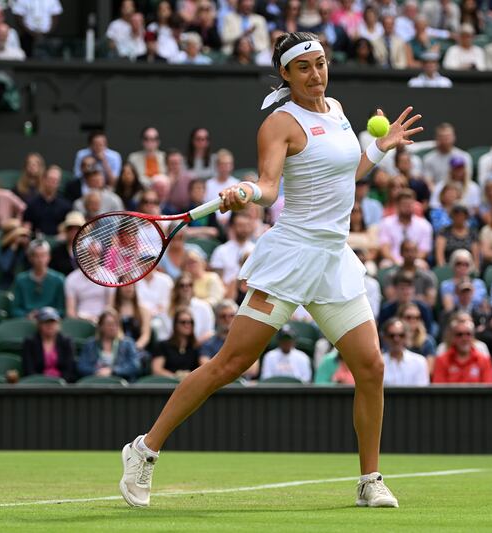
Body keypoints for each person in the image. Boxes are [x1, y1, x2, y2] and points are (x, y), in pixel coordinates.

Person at [119, 32, 423, 508]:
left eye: (320, 63)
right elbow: (268, 185)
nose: (316, 74)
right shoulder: (279, 123)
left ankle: (370, 480)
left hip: (333, 260)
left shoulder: (338, 110)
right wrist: (245, 190)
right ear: (285, 73)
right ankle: (143, 449)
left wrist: (383, 149)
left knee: (371, 367)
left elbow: (347, 174)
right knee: (230, 364)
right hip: (291, 256)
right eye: (304, 67)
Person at [77, 309, 141, 383]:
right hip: (96, 383)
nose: (113, 327)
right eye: (109, 324)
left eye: (116, 324)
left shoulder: (128, 344)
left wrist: (113, 371)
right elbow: (82, 366)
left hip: (122, 385)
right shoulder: (90, 344)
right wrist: (98, 372)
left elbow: (134, 366)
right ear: (101, 326)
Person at [12, 239, 65, 319]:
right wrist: (27, 315)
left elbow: (62, 309)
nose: (40, 260)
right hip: (27, 321)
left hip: (51, 321)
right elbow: (15, 309)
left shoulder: (59, 279)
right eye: (36, 256)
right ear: (30, 258)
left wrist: (49, 314)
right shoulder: (20, 280)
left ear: (49, 257)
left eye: (43, 255)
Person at [378, 188, 433, 265]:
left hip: (415, 261)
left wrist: (409, 262)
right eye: (404, 204)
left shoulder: (425, 225)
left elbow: (424, 251)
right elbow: (385, 248)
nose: (407, 207)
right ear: (397, 205)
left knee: (421, 264)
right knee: (385, 264)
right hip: (392, 261)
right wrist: (397, 262)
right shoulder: (386, 223)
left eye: (410, 204)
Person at [21, 307, 76, 382]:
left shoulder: (66, 342)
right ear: (39, 324)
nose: (50, 325)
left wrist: (60, 384)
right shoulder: (30, 342)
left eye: (53, 322)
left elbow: (69, 369)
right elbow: (29, 369)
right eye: (46, 322)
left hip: (62, 386)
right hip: (37, 385)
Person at [432, 318, 492, 383]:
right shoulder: (442, 360)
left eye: (468, 334)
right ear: (453, 337)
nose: (464, 338)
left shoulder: (484, 360)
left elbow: (488, 388)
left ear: (473, 337)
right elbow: (439, 389)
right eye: (459, 334)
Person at [152, 307, 205, 379]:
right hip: (167, 385)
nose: (187, 325)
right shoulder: (163, 346)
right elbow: (157, 370)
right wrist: (176, 377)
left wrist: (188, 377)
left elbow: (204, 369)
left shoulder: (197, 347)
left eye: (190, 322)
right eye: (183, 322)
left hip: (191, 385)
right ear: (175, 324)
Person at [23, 165, 71, 237]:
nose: (52, 183)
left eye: (55, 180)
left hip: (58, 243)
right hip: (37, 241)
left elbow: (69, 227)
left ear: (59, 183)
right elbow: (27, 226)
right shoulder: (32, 203)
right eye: (50, 179)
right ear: (44, 179)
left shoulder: (66, 206)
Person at [381, 318, 429, 386]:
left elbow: (422, 392)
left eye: (401, 335)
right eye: (392, 336)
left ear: (406, 337)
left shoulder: (419, 362)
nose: (396, 339)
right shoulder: (379, 363)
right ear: (385, 337)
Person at [440, 249, 488, 315]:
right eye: (458, 264)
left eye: (466, 264)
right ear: (453, 264)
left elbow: (484, 308)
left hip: (476, 317)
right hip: (456, 317)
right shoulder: (446, 285)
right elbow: (449, 310)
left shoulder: (479, 284)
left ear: (470, 266)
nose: (462, 267)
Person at [112, 284, 152, 356]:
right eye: (125, 284)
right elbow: (118, 334)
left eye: (131, 285)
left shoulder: (144, 311)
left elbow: (146, 335)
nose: (129, 287)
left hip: (139, 349)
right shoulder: (112, 310)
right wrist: (127, 348)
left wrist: (136, 347)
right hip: (118, 349)